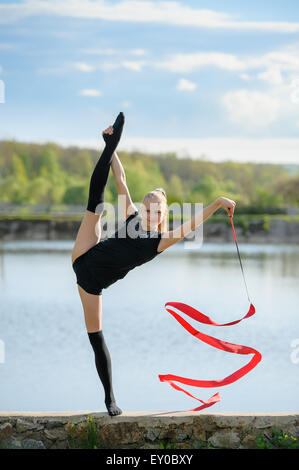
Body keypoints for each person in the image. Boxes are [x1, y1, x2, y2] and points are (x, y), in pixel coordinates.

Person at [71, 111, 236, 416]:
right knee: (95, 201)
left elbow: (190, 225)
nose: (154, 213)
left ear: (163, 214)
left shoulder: (160, 241)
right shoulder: (133, 214)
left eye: (159, 210)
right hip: (85, 254)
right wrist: (113, 148)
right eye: (150, 208)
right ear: (143, 208)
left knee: (96, 338)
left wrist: (216, 202)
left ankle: (110, 400)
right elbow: (120, 180)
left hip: (90, 284)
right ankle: (109, 143)